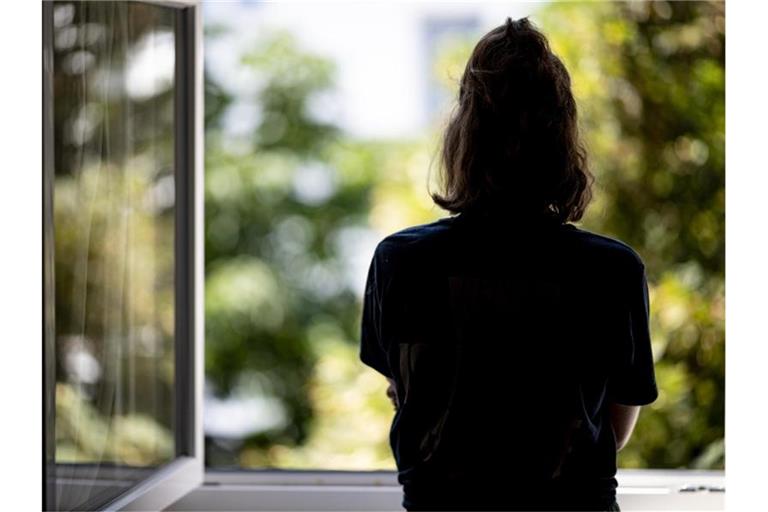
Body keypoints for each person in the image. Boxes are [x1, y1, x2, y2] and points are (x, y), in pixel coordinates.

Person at [359, 16, 658, 512]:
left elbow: (410, 396)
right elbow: (613, 430)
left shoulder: (402, 261)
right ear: (563, 140)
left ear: (463, 137)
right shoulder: (613, 270)